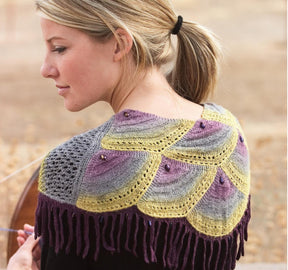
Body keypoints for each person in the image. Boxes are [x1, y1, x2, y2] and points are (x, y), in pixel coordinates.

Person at [13, 0, 251, 269]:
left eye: (59, 48)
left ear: (119, 43)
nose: (46, 69)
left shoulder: (75, 164)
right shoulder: (226, 134)